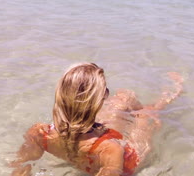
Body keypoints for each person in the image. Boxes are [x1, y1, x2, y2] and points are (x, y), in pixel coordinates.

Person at [10, 63, 183, 176]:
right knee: (145, 112)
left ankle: (126, 102)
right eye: (104, 93)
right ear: (98, 102)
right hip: (127, 158)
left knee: (122, 99)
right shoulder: (110, 149)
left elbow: (19, 166)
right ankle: (171, 94)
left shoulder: (40, 133)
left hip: (87, 148)